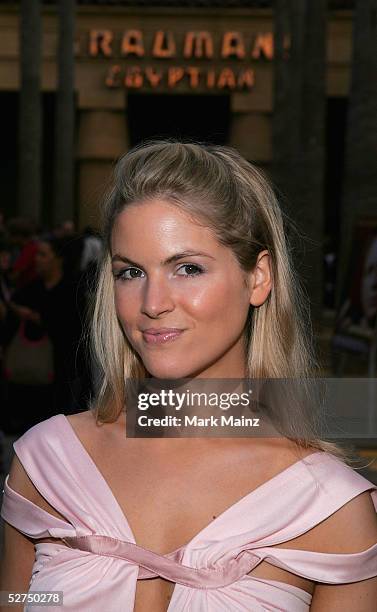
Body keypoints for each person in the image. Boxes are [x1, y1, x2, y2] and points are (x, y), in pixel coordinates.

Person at [0, 141, 376, 611]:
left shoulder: (327, 506)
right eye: (131, 272)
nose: (153, 303)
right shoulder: (47, 463)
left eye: (187, 268)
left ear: (258, 278)